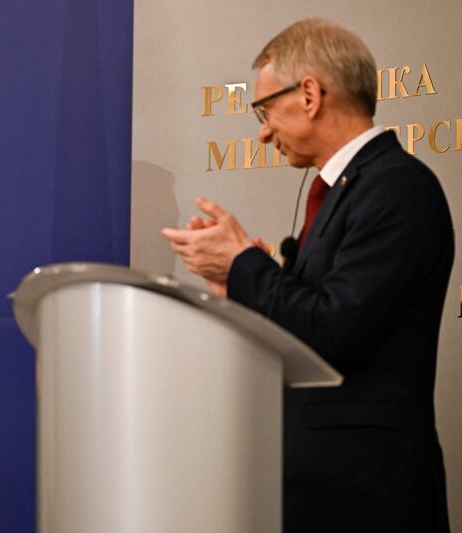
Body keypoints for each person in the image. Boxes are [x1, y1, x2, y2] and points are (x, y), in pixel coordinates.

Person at [162, 19, 452, 532]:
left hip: (368, 496)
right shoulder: (348, 189)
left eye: (266, 108)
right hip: (326, 490)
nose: (263, 130)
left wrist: (244, 264)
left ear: (311, 94)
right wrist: (240, 281)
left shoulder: (396, 189)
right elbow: (313, 317)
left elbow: (333, 331)